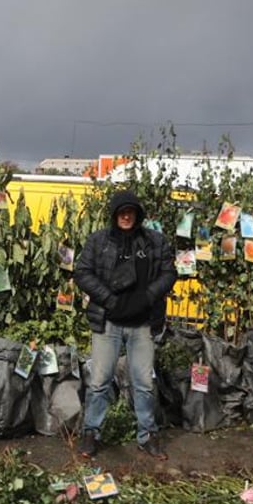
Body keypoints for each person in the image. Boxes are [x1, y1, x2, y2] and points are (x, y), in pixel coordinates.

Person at [73, 189, 175, 460]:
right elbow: (82, 272)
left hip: (143, 325)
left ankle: (147, 436)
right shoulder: (99, 241)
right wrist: (108, 299)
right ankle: (90, 433)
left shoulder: (155, 242)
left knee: (143, 382)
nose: (126, 216)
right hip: (108, 323)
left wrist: (149, 296)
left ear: (138, 214)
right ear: (114, 214)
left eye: (131, 211)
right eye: (121, 211)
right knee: (99, 381)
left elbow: (169, 272)